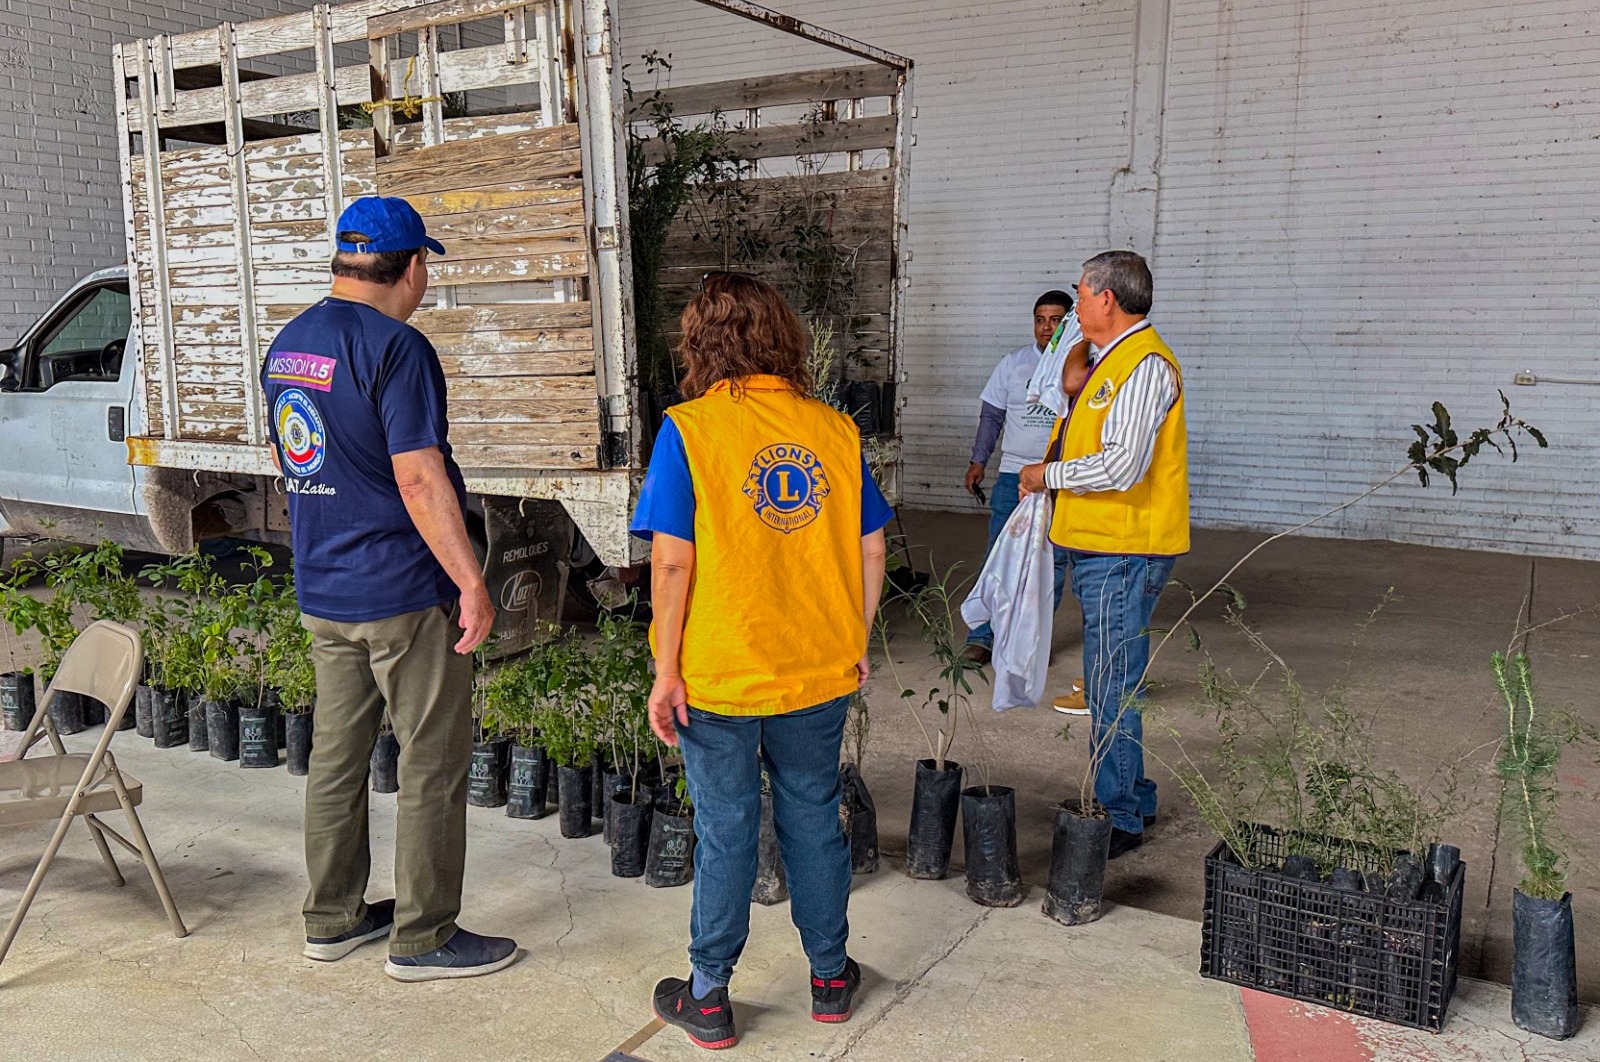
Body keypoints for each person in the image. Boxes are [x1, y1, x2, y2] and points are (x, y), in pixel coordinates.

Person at [632, 272, 893, 1050]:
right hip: (817, 666)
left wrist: (666, 670)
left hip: (719, 670)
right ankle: (829, 978)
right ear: (784, 337)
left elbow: (673, 566)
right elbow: (871, 546)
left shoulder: (689, 429)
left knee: (727, 827)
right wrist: (853, 637)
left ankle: (709, 995)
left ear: (701, 344)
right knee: (815, 817)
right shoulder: (834, 430)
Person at [260, 196, 517, 982]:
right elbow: (417, 475)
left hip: (325, 589)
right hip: (403, 595)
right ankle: (425, 936)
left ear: (344, 263)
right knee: (432, 764)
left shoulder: (289, 345)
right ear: (411, 268)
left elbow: (296, 464)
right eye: (426, 265)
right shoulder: (399, 349)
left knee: (336, 760)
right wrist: (471, 580)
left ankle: (332, 919)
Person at [1019, 250, 1188, 861]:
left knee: (1111, 683)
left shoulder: (1143, 366)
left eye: (1081, 296)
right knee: (1114, 678)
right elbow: (1073, 401)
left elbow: (1121, 464)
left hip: (1124, 549)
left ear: (1106, 298)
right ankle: (1134, 794)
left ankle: (1119, 815)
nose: (1075, 305)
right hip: (1104, 546)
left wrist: (1049, 475)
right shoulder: (1110, 361)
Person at [962, 291, 1090, 714]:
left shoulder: (1082, 367)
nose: (1046, 327)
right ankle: (982, 639)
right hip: (1013, 476)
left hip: (1058, 481)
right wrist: (979, 460)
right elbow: (992, 415)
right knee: (998, 556)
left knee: (1046, 566)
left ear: (1068, 322)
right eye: (1040, 319)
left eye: (1056, 319)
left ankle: (1028, 643)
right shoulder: (1013, 364)